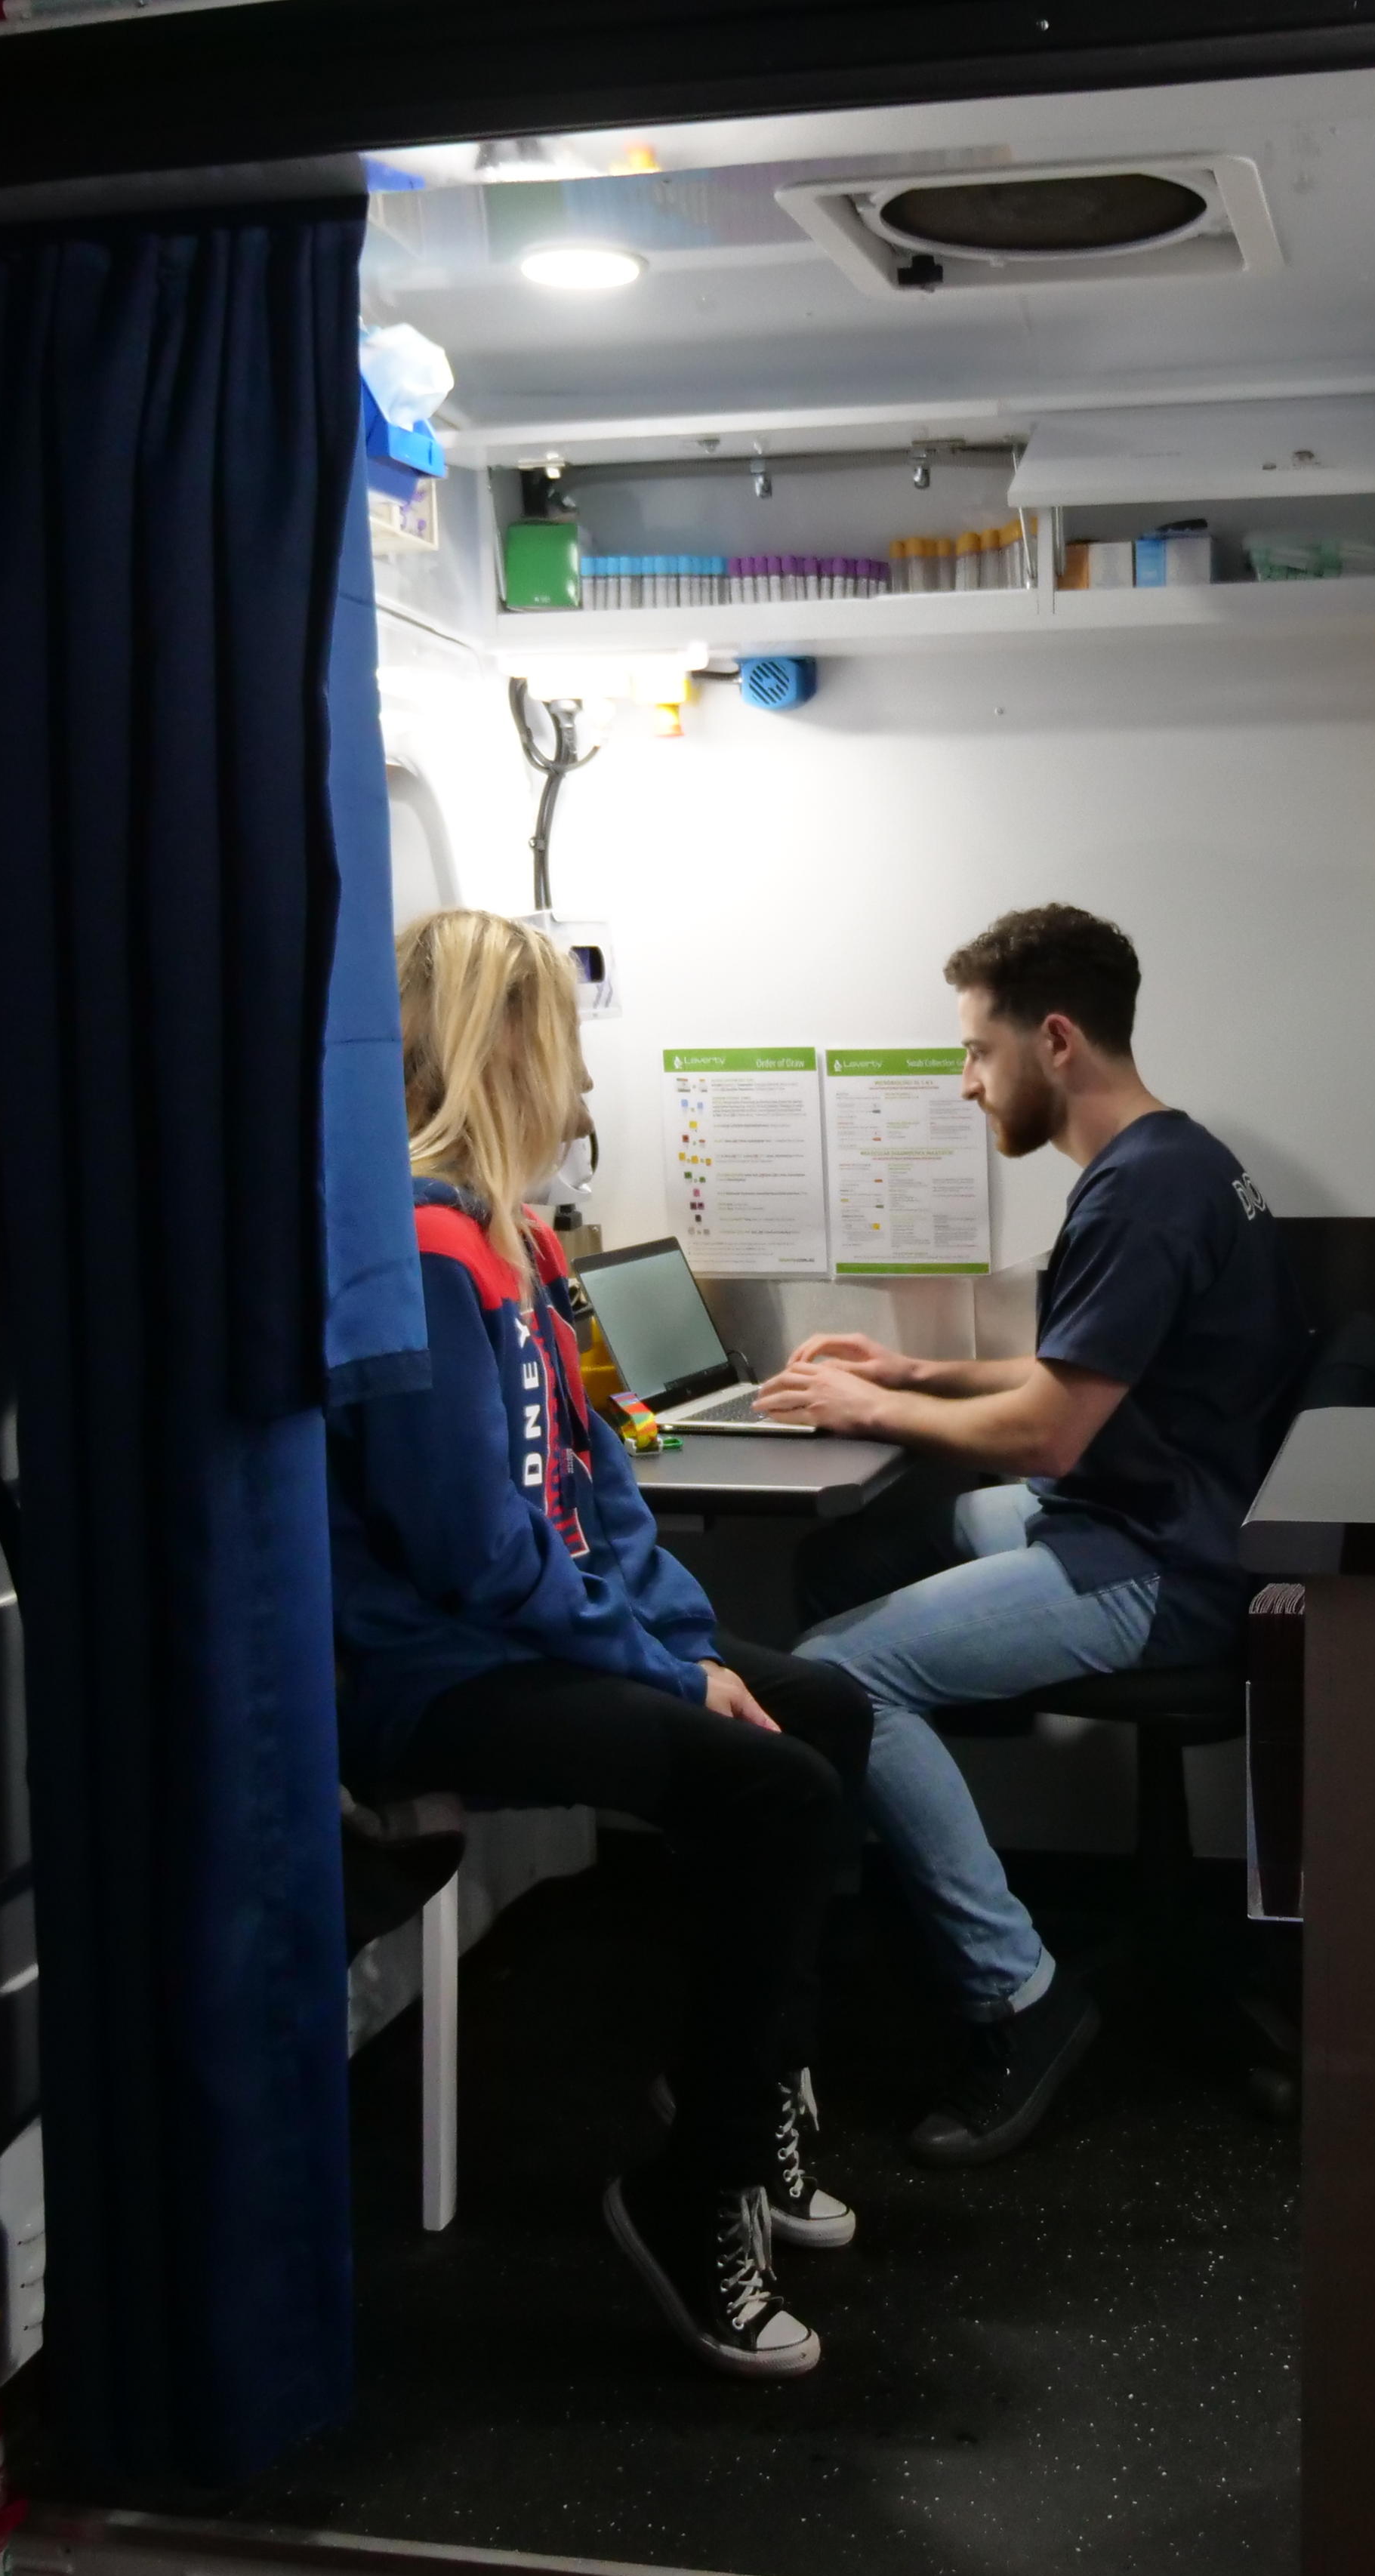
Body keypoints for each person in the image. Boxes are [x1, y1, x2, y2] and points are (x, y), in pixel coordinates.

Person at [329, 909, 871, 2379]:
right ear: (503, 1050)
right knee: (776, 1792)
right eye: (559, 1058)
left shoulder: (514, 1245)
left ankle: (743, 2088)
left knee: (818, 1708)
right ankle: (691, 2189)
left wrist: (688, 1648)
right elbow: (479, 1556)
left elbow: (595, 1486)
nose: (577, 1100)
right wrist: (662, 1674)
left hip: (526, 1634)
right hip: (428, 1675)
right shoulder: (425, 1258)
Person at [758, 904, 1309, 2166]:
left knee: (841, 1671)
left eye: (974, 1051)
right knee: (879, 1550)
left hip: (1161, 1561)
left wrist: (872, 1404)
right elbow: (1087, 1376)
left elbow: (1056, 1436)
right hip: (1166, 1503)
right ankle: (885, 1876)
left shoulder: (1144, 1195)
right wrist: (914, 1367)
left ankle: (1017, 1989)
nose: (964, 1084)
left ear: (1053, 1040)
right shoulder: (1170, 1159)